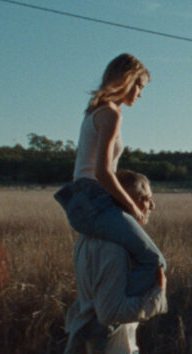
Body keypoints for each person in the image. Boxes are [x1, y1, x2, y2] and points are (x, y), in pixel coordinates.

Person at [54, 53, 165, 297]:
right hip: (94, 199)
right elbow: (102, 172)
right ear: (127, 79)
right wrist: (133, 208)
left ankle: (107, 305)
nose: (140, 94)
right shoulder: (111, 113)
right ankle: (115, 308)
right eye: (140, 86)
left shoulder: (95, 111)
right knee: (154, 260)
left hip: (86, 198)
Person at [63, 170, 167, 354]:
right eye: (147, 199)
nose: (152, 206)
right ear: (130, 201)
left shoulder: (88, 237)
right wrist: (157, 295)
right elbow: (110, 312)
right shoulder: (112, 247)